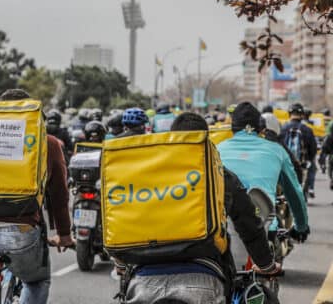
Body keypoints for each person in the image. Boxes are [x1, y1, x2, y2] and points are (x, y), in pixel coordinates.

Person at [122, 112, 280, 304]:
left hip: (142, 283)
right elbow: (248, 224)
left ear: (173, 139)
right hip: (204, 283)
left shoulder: (148, 175)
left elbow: (126, 218)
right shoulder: (219, 175)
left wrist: (120, 261)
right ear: (205, 140)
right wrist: (266, 264)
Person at [0, 89, 74, 304]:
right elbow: (59, 195)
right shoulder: (48, 143)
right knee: (36, 281)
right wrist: (64, 234)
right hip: (20, 231)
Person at [218, 102, 309, 242]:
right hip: (264, 229)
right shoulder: (277, 150)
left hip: (221, 231)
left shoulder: (216, 150)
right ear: (261, 128)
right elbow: (295, 193)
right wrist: (301, 227)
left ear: (232, 127)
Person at [280, 103, 317, 199]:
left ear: (289, 114)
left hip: (286, 165)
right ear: (302, 115)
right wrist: (309, 160)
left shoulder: (283, 128)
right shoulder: (307, 129)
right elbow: (313, 149)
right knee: (301, 190)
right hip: (302, 166)